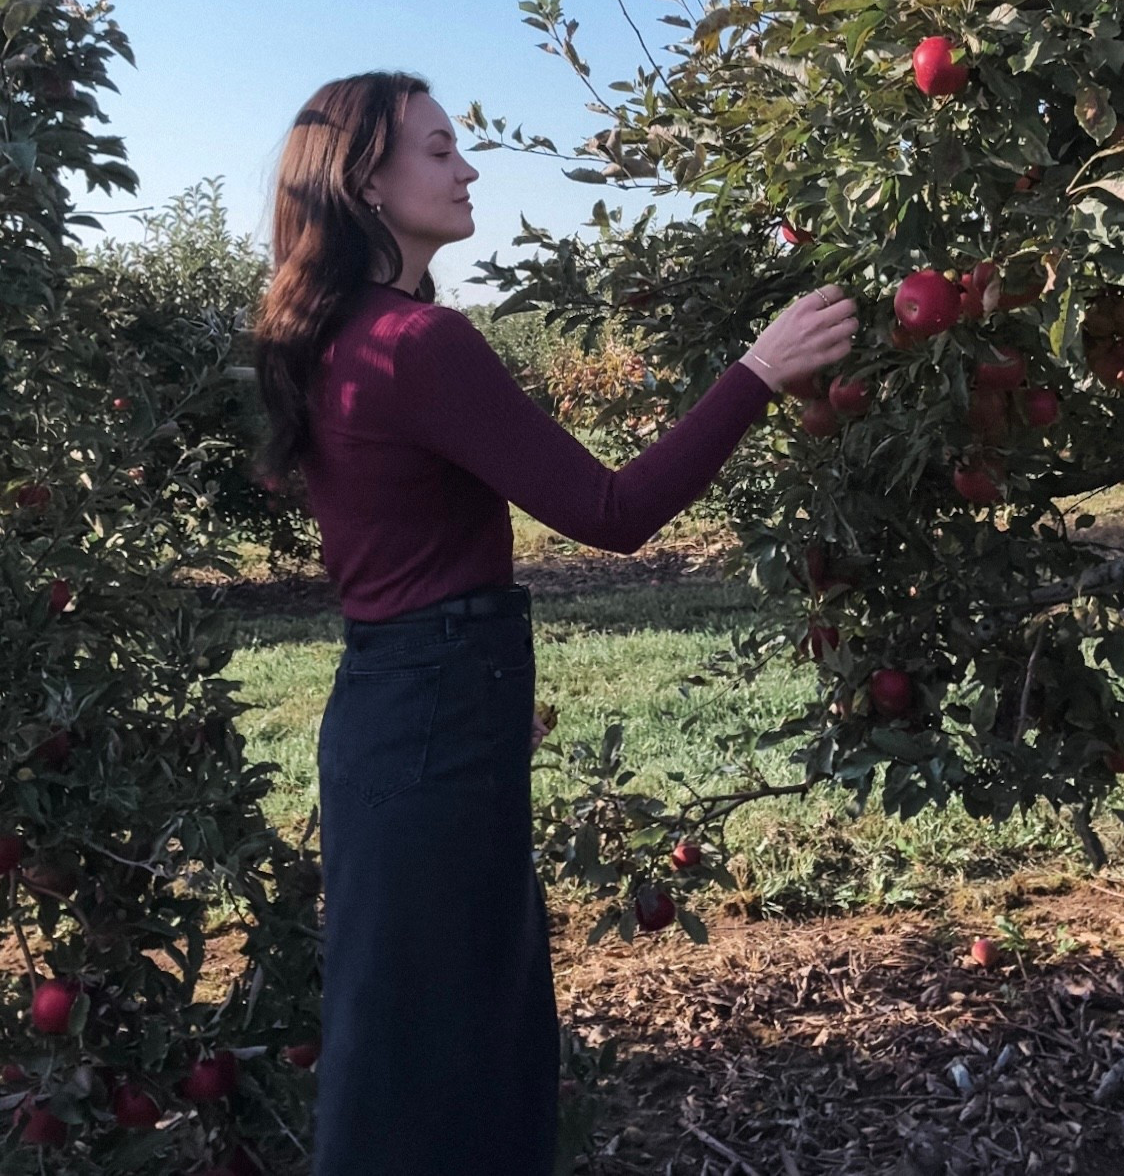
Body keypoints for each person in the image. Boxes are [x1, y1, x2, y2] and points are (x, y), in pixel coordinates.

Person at [251, 69, 858, 1176]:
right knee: (453, 1064)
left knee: (406, 1045)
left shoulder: (341, 334)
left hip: (398, 709)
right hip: (430, 714)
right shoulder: (418, 345)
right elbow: (611, 512)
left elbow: (390, 565)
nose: (469, 167)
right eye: (439, 150)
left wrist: (475, 695)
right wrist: (758, 374)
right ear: (367, 181)